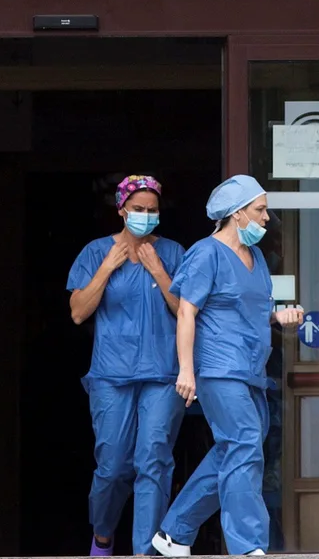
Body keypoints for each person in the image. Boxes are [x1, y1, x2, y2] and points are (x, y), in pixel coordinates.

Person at [151, 175, 304, 558]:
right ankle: (247, 545)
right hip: (220, 370)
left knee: (231, 451)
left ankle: (174, 533)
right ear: (237, 214)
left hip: (251, 371)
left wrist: (278, 317)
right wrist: (186, 370)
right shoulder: (206, 254)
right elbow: (187, 311)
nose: (267, 218)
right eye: (260, 210)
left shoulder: (256, 260)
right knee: (244, 447)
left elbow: (246, 310)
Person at [67, 175, 188, 557]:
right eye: (138, 210)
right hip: (111, 375)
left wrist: (158, 272)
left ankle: (144, 552)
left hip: (163, 374)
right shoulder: (94, 252)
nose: (146, 216)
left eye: (152, 211)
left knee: (153, 459)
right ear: (121, 210)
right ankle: (103, 535)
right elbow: (78, 313)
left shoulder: (172, 253)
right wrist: (106, 268)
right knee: (113, 466)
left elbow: (186, 311)